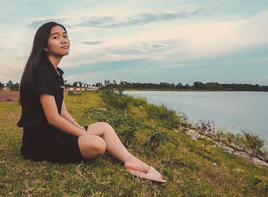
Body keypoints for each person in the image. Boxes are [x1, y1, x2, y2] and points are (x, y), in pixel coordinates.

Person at [17, 22, 166, 183]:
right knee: (98, 145)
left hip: (55, 134)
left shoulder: (56, 73)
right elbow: (53, 118)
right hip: (40, 142)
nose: (64, 40)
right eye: (56, 37)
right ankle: (109, 150)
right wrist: (83, 134)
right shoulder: (42, 70)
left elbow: (62, 112)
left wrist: (80, 128)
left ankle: (129, 160)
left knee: (104, 127)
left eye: (65, 36)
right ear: (45, 46)